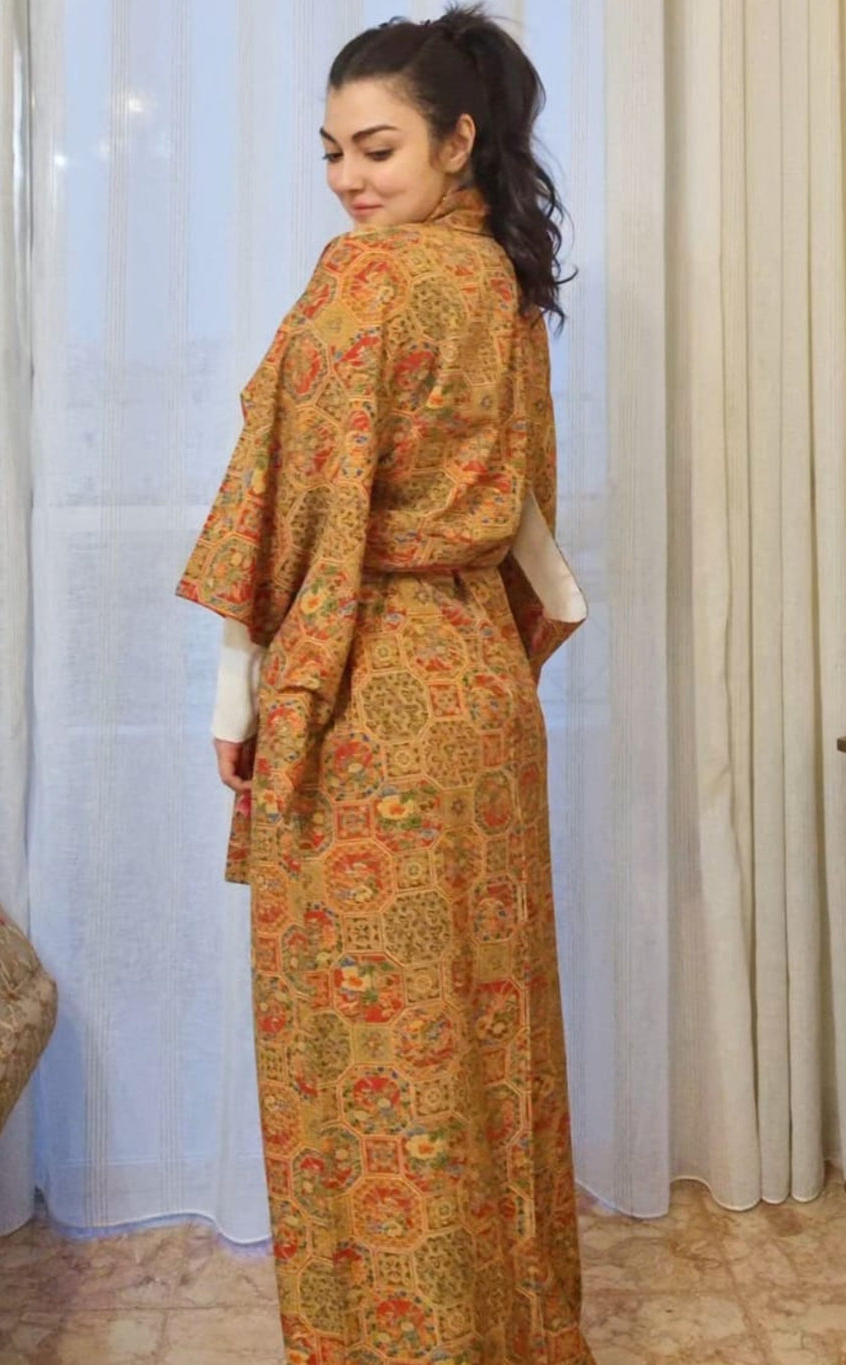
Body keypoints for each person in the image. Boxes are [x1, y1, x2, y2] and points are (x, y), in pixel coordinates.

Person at [178, 5, 593, 1361]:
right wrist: (547, 610)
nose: (349, 179)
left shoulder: (364, 279)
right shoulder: (502, 285)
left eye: (377, 148)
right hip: (478, 691)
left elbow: (290, 506)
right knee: (482, 1032)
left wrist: (243, 695)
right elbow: (528, 515)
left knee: (374, 1058)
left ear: (458, 141)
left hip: (368, 697)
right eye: (332, 152)